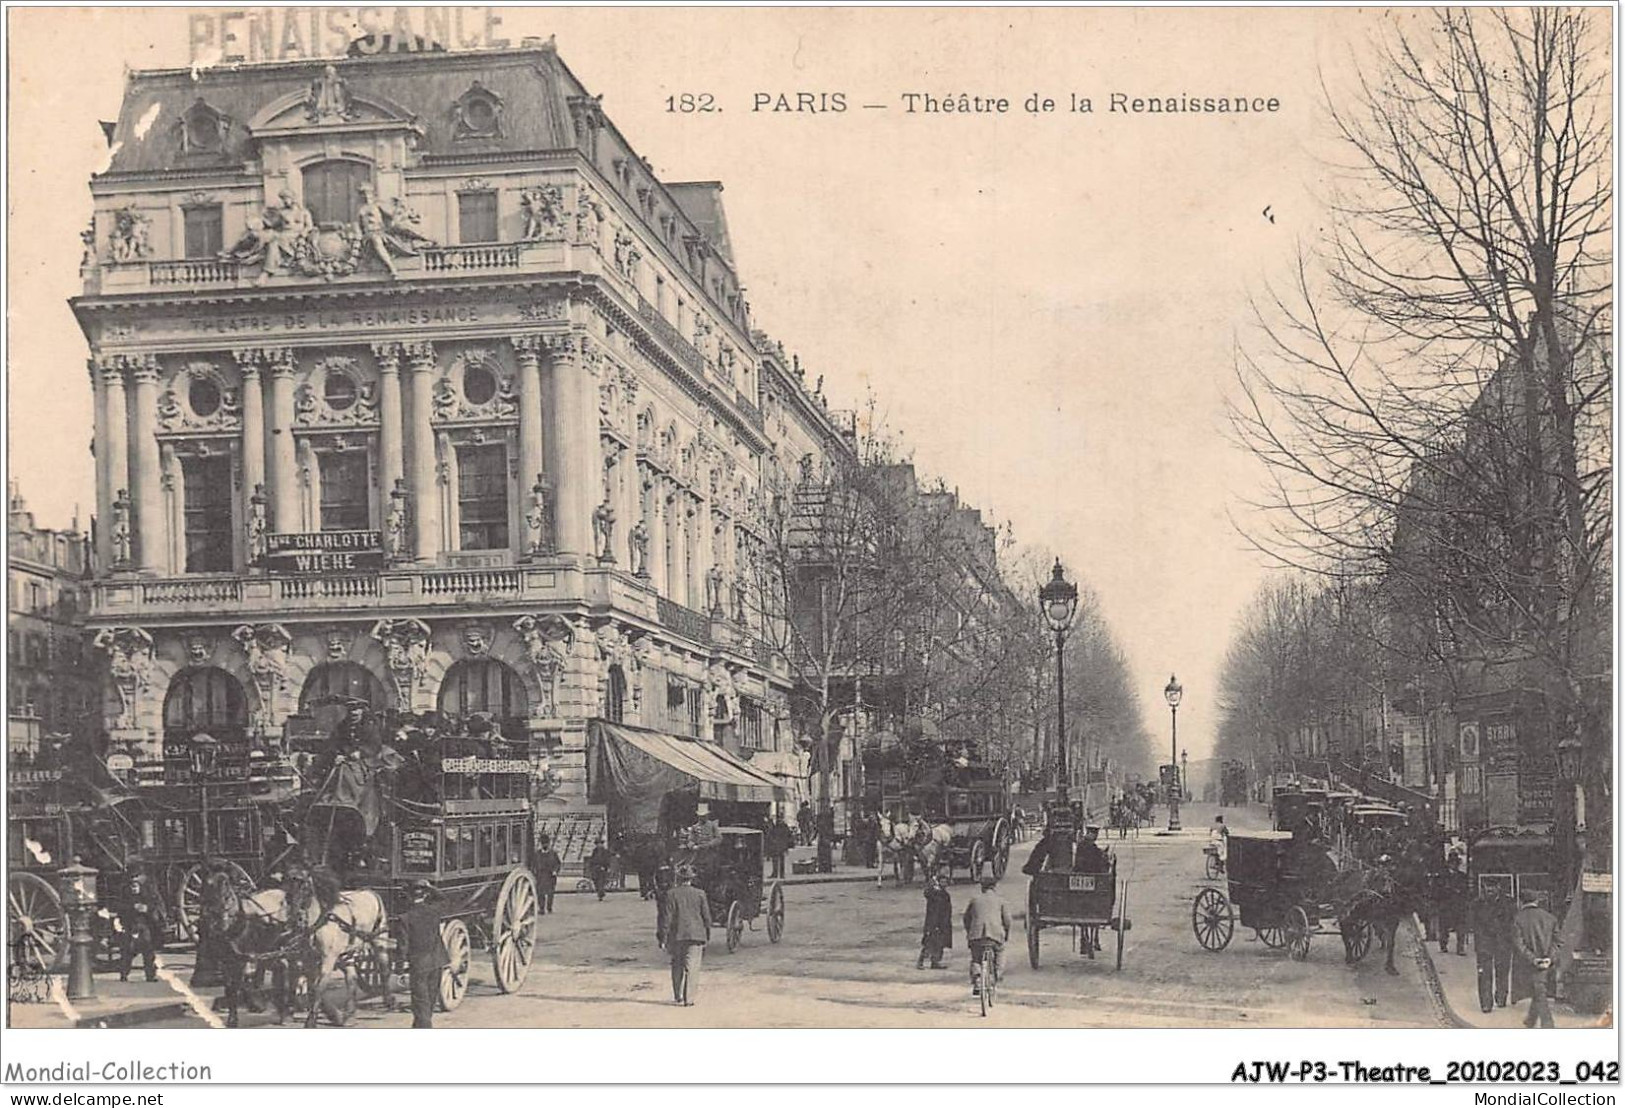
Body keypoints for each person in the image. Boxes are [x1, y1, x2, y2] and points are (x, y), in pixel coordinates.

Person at [401, 879, 448, 1028]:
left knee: (420, 1002)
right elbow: (442, 898)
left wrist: (401, 966)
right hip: (437, 961)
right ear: (426, 896)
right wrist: (429, 887)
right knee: (430, 1000)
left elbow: (403, 945)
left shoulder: (405, 918)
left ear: (409, 897)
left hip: (419, 964)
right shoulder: (434, 911)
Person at [664, 865, 710, 1005]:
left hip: (677, 935)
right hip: (696, 935)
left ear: (678, 878)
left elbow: (667, 918)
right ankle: (688, 999)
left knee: (677, 965)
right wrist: (707, 933)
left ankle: (678, 996)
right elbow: (706, 916)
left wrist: (664, 937)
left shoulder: (671, 894)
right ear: (691, 879)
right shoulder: (700, 894)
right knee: (692, 967)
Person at [1511, 894, 1559, 1028]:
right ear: (1536, 901)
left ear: (1521, 902)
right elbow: (1558, 942)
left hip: (1529, 963)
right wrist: (1550, 958)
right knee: (1539, 988)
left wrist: (1533, 959)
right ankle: (1531, 1020)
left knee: (1539, 990)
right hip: (1547, 961)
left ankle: (1547, 1023)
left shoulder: (1518, 918)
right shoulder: (1550, 918)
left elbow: (1519, 944)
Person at [962, 874, 1011, 996]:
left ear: (982, 888)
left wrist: (969, 932)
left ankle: (977, 980)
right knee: (1000, 953)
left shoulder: (975, 900)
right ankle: (996, 976)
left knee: (976, 958)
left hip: (976, 936)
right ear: (994, 887)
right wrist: (1006, 934)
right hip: (995, 936)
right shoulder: (1001, 901)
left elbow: (966, 918)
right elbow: (1007, 921)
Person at [1470, 880, 1514, 1013]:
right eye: (1487, 887)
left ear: (1498, 887)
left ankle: (1501, 997)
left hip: (1502, 941)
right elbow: (1472, 922)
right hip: (1484, 942)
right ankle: (1486, 1003)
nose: (1489, 889)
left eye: (1493, 886)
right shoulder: (1478, 903)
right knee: (1484, 972)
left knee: (1502, 970)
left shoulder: (1508, 903)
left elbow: (1512, 922)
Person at [115, 869, 166, 983]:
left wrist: (146, 908)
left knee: (148, 951)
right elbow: (119, 908)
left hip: (145, 926)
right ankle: (124, 974)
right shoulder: (125, 895)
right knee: (128, 951)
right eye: (132, 885)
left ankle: (150, 974)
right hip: (130, 925)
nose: (134, 887)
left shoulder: (148, 894)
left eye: (136, 885)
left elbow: (156, 906)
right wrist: (132, 908)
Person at [918, 872, 953, 970]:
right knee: (929, 943)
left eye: (945, 882)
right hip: (934, 922)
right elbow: (927, 893)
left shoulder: (945, 895)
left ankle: (935, 961)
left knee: (940, 943)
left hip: (943, 923)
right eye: (942, 882)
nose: (944, 884)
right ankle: (921, 961)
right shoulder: (934, 894)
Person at [1437, 852, 1469, 956]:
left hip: (1458, 905)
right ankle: (1443, 945)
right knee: (1444, 927)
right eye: (1452, 863)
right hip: (1446, 905)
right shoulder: (1442, 877)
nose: (1454, 865)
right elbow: (1437, 890)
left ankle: (1460, 948)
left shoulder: (1462, 876)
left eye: (1456, 863)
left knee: (1460, 927)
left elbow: (1466, 890)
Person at [533, 835, 561, 914]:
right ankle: (541, 908)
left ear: (549, 844)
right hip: (540, 876)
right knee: (540, 893)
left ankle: (549, 907)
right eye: (543, 844)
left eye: (546, 844)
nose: (545, 845)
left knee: (550, 893)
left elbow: (558, 863)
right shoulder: (537, 854)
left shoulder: (553, 853)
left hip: (550, 876)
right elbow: (534, 864)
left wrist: (555, 871)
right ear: (541, 844)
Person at [765, 815, 793, 879]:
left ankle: (777, 874)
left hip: (779, 845)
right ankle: (780, 874)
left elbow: (771, 835)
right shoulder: (782, 826)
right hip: (780, 845)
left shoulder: (777, 826)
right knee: (779, 859)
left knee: (777, 859)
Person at [587, 836, 615, 901]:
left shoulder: (605, 851)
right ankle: (599, 892)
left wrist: (607, 867)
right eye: (597, 844)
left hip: (603, 868)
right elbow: (592, 859)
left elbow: (607, 859)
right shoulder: (595, 851)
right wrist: (591, 866)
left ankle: (600, 893)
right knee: (596, 881)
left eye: (600, 843)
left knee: (601, 881)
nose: (599, 845)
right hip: (595, 868)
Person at [815, 805, 835, 874]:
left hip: (823, 837)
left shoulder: (822, 818)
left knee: (823, 854)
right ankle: (826, 868)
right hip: (825, 837)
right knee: (826, 854)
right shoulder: (829, 818)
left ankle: (823, 868)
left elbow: (818, 828)